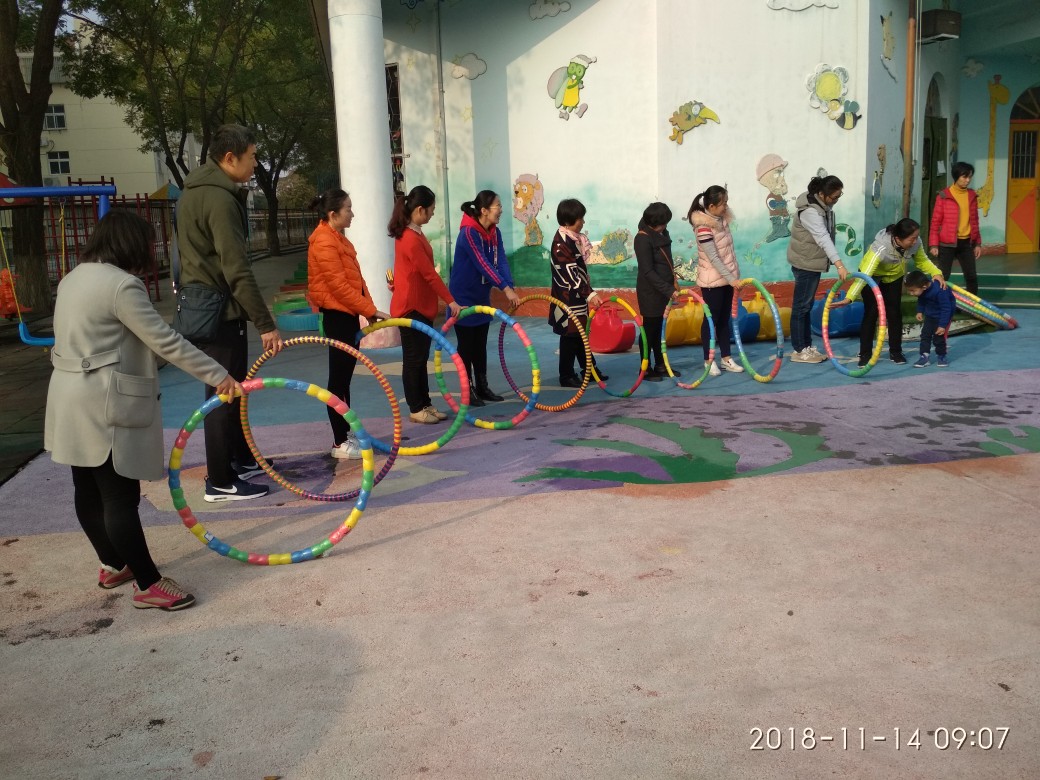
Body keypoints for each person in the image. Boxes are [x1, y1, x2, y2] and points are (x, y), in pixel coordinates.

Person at [45, 211, 242, 611]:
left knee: (87, 488)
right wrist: (219, 375)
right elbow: (165, 340)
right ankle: (149, 584)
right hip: (104, 402)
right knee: (119, 495)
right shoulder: (122, 285)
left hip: (68, 397)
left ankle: (114, 563)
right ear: (132, 245)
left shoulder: (73, 278)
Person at [176, 124, 282, 502]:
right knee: (223, 394)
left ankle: (238, 459)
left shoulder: (195, 192)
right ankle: (220, 481)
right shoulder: (219, 199)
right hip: (218, 311)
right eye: (252, 156)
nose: (255, 164)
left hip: (208, 304)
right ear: (229, 158)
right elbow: (236, 269)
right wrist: (265, 324)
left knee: (232, 390)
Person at [308, 188, 390, 456]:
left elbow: (357, 281)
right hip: (337, 316)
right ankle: (339, 441)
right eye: (348, 209)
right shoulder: (324, 241)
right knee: (338, 380)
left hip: (348, 314)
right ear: (333, 214)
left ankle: (345, 431)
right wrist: (369, 309)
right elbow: (339, 287)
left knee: (344, 380)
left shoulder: (338, 239)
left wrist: (369, 309)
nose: (352, 214)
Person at [388, 185, 461, 424]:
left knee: (420, 359)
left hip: (420, 305)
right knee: (414, 360)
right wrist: (451, 301)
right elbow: (429, 274)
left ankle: (425, 403)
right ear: (420, 209)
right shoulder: (410, 238)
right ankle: (416, 407)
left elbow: (408, 271)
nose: (432, 214)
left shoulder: (414, 233)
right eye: (431, 210)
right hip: (411, 308)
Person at [448, 190, 521, 406]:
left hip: (481, 295)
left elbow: (501, 261)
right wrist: (504, 288)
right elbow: (483, 263)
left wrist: (510, 286)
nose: (501, 210)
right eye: (498, 206)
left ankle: (482, 386)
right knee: (466, 346)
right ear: (484, 210)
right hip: (463, 297)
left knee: (480, 344)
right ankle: (467, 390)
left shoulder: (494, 233)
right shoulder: (469, 233)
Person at [854, 218, 946, 366]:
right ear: (898, 239)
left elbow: (922, 260)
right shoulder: (881, 246)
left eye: (916, 237)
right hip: (870, 275)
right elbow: (863, 276)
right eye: (912, 238)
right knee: (871, 312)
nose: (915, 241)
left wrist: (936, 272)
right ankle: (865, 353)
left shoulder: (916, 243)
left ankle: (896, 351)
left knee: (894, 312)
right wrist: (850, 297)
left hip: (894, 276)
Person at [786, 175, 848, 364]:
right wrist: (839, 264)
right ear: (822, 194)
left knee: (806, 305)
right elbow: (823, 238)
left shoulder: (822, 207)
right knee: (801, 306)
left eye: (839, 196)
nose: (836, 200)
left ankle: (806, 346)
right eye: (834, 197)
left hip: (811, 261)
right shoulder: (810, 212)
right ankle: (799, 350)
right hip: (805, 263)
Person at [548, 198, 605, 387]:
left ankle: (590, 370)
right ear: (568, 221)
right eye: (580, 218)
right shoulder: (561, 244)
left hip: (577, 297)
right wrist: (590, 294)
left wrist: (587, 293)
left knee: (580, 334)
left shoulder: (574, 239)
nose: (583, 222)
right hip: (567, 298)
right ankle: (566, 375)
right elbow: (571, 275)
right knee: (570, 335)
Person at [689, 185, 744, 376]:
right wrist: (731, 279)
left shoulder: (722, 221)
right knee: (711, 320)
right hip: (712, 282)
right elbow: (713, 258)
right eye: (723, 203)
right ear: (711, 206)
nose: (726, 206)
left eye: (726, 202)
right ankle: (709, 360)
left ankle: (726, 358)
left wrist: (733, 277)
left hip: (728, 280)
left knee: (724, 320)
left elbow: (728, 253)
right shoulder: (703, 227)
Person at [634, 201, 680, 381]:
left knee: (659, 329)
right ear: (655, 223)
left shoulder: (661, 233)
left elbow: (666, 261)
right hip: (651, 292)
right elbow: (648, 271)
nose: (666, 226)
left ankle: (660, 364)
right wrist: (668, 289)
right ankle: (644, 368)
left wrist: (672, 283)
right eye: (663, 223)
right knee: (649, 330)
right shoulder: (643, 238)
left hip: (663, 290)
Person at [928, 161, 982, 295]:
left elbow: (975, 221)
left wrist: (977, 243)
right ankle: (938, 301)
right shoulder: (943, 195)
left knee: (971, 276)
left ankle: (972, 304)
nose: (968, 180)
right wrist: (934, 244)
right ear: (956, 176)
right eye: (965, 177)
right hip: (947, 244)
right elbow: (935, 221)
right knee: (943, 275)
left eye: (970, 177)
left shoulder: (972, 195)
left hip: (966, 243)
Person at [905, 269, 956, 368]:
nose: (911, 293)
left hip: (942, 316)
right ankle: (924, 356)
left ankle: (941, 356)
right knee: (925, 335)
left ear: (924, 287)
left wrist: (942, 325)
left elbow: (946, 309)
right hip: (930, 315)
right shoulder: (922, 287)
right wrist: (920, 311)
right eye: (909, 290)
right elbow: (921, 299)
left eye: (913, 290)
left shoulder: (940, 290)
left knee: (938, 337)